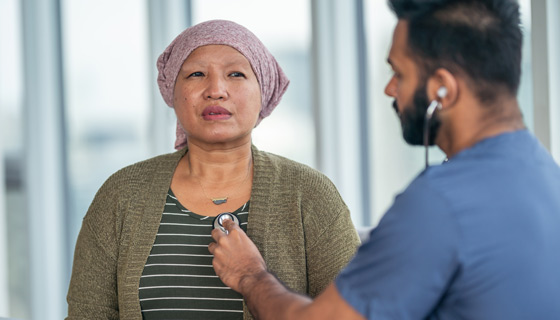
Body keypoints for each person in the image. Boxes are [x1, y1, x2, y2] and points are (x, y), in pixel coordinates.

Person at [208, 1, 560, 319]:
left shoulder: (440, 203)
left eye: (399, 73)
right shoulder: (545, 173)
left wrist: (249, 274)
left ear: (443, 89)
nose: (390, 89)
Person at [66, 20, 360, 320]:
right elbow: (88, 313)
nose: (216, 90)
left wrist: (254, 278)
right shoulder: (122, 194)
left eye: (236, 74)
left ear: (263, 92)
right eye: (196, 74)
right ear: (172, 91)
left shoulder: (309, 195)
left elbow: (358, 311)